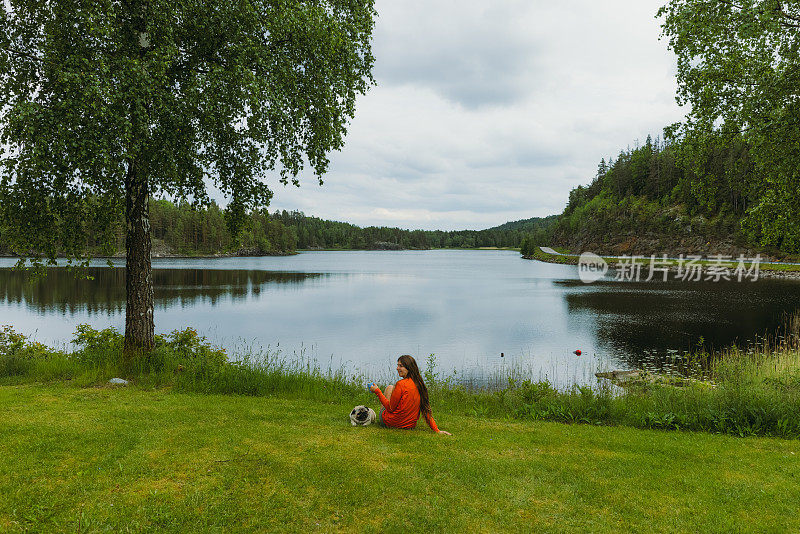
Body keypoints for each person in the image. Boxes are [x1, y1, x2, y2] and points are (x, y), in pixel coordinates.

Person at [369, 355, 452, 435]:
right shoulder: (419, 384)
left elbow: (390, 408)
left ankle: (382, 417)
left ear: (409, 368)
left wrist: (377, 391)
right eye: (397, 365)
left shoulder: (401, 384)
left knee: (389, 388)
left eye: (401, 366)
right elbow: (425, 410)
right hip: (409, 426)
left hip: (391, 423)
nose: (397, 368)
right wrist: (436, 430)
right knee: (393, 389)